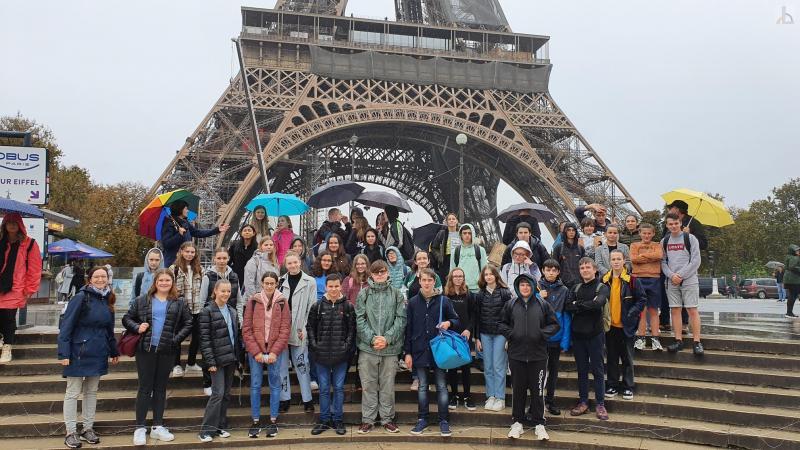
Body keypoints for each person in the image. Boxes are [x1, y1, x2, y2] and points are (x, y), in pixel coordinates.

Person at [123, 268, 192, 446]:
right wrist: (137, 327)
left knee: (161, 389)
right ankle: (140, 427)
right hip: (145, 350)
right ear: (155, 282)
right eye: (160, 280)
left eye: (167, 280)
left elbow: (189, 323)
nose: (164, 283)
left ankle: (157, 426)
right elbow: (127, 318)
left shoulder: (179, 302)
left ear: (172, 282)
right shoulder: (142, 300)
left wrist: (175, 340)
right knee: (145, 388)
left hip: (167, 350)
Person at [58, 266, 120, 448]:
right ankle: (71, 431)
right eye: (97, 276)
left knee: (91, 391)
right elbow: (66, 326)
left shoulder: (108, 299)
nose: (101, 279)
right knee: (73, 392)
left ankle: (88, 428)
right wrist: (63, 352)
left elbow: (109, 330)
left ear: (108, 279)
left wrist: (114, 350)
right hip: (78, 351)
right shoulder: (80, 297)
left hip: (99, 351)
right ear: (90, 279)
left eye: (104, 276)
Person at [499, 273, 559, 441]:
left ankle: (539, 423)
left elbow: (554, 324)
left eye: (528, 285)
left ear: (533, 286)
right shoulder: (511, 304)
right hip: (516, 355)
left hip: (538, 356)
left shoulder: (543, 304)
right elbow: (501, 323)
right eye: (522, 285)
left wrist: (541, 334)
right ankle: (517, 422)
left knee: (537, 391)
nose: (525, 288)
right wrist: (512, 334)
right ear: (518, 287)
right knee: (518, 391)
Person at [404, 269, 459, 437]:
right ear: (419, 281)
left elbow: (456, 320)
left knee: (441, 386)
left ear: (434, 282)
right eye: (424, 280)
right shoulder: (413, 302)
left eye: (430, 280)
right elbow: (408, 328)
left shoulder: (444, 300)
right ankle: (422, 419)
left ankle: (444, 420)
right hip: (419, 349)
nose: (427, 283)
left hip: (439, 351)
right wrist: (407, 353)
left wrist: (449, 323)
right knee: (422, 386)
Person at [355, 260, 407, 434]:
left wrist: (387, 338)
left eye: (382, 271)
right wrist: (371, 339)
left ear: (388, 273)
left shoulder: (397, 294)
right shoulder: (364, 294)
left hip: (390, 349)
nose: (379, 275)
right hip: (368, 348)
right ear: (371, 274)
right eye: (376, 272)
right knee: (368, 385)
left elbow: (401, 319)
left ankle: (387, 419)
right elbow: (359, 319)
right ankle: (368, 420)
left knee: (387, 386)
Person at [242, 271, 290, 438]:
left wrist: (275, 352)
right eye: (266, 283)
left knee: (275, 384)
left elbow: (285, 329)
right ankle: (255, 421)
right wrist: (255, 352)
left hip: (275, 350)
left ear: (276, 284)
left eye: (272, 283)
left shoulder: (282, 301)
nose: (269, 286)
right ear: (262, 283)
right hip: (256, 350)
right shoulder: (253, 301)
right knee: (255, 384)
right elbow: (246, 328)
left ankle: (273, 420)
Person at [307, 273, 356, 436]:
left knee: (339, 388)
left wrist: (346, 347)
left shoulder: (348, 306)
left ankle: (338, 419)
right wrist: (315, 346)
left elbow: (352, 330)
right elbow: (310, 328)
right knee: (323, 389)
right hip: (321, 356)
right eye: (330, 286)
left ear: (340, 286)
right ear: (325, 287)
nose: (334, 289)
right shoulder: (317, 306)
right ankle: (324, 420)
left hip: (341, 356)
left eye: (336, 286)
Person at [565, 257, 610, 421]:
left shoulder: (602, 287)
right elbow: (568, 306)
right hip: (578, 335)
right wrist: (586, 304)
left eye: (588, 267)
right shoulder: (575, 287)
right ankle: (583, 401)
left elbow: (598, 304)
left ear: (595, 269)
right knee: (582, 370)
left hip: (595, 334)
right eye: (582, 268)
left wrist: (578, 304)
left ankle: (600, 404)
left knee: (598, 370)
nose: (585, 270)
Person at [198, 279, 241, 442]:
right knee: (218, 393)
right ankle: (206, 430)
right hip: (216, 360)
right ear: (215, 291)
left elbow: (235, 337)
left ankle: (220, 426)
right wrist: (210, 362)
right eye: (223, 291)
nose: (226, 294)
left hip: (230, 358)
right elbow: (205, 339)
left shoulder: (232, 310)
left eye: (228, 291)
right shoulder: (207, 311)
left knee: (226, 395)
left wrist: (238, 359)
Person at [601, 250, 646, 401]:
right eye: (613, 259)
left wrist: (631, 313)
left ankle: (628, 386)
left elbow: (642, 299)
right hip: (610, 327)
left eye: (618, 259)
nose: (616, 262)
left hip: (626, 326)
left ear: (624, 260)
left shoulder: (632, 280)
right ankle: (612, 384)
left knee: (627, 358)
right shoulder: (604, 279)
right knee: (612, 358)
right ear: (610, 261)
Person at [277, 252, 317, 413]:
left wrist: (306, 329)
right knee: (282, 366)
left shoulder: (310, 282)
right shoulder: (280, 281)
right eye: (289, 263)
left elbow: (312, 308)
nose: (293, 265)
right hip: (282, 330)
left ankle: (307, 399)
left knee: (302, 365)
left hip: (299, 329)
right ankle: (284, 398)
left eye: (295, 262)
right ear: (285, 265)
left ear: (300, 262)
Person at [0, 213, 42, 364]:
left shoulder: (29, 244)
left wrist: (30, 289)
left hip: (16, 287)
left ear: (20, 225)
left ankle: (7, 347)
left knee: (8, 317)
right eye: (8, 222)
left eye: (15, 222)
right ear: (4, 224)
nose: (11, 225)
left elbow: (35, 268)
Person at [661, 213, 703, 354]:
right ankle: (678, 340)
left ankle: (697, 341)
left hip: (689, 279)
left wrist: (681, 275)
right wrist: (672, 275)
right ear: (667, 225)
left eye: (676, 223)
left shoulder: (690, 238)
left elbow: (696, 261)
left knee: (692, 310)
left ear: (680, 223)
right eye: (670, 224)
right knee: (675, 310)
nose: (673, 226)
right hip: (672, 280)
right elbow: (663, 262)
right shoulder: (664, 241)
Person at [474, 265, 512, 412]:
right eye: (486, 275)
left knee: (498, 366)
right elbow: (477, 317)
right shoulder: (480, 295)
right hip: (485, 334)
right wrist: (477, 337)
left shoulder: (505, 293)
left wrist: (508, 337)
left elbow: (510, 317)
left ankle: (500, 398)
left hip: (500, 334)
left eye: (491, 274)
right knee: (488, 367)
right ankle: (491, 396)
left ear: (496, 276)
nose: (488, 277)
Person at [539, 259, 572, 416]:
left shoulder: (564, 290)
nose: (551, 273)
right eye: (548, 270)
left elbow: (566, 316)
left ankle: (550, 400)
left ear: (558, 272)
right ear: (543, 270)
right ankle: (537, 402)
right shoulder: (536, 287)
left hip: (556, 337)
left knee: (553, 371)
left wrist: (565, 340)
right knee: (538, 372)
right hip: (539, 337)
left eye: (554, 270)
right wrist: (538, 297)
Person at [443, 267, 478, 411]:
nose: (458, 278)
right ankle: (454, 395)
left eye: (460, 276)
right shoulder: (445, 295)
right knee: (452, 367)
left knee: (465, 367)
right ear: (451, 278)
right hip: (451, 335)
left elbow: (473, 315)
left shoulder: (469, 295)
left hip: (464, 335)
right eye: (455, 276)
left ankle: (467, 396)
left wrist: (469, 329)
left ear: (464, 278)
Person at [169, 241, 204, 378]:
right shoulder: (174, 268)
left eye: (192, 252)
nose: (190, 254)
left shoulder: (199, 269)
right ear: (181, 252)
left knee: (197, 337)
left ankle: (191, 362)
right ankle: (176, 364)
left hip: (196, 309)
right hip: (180, 310)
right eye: (187, 251)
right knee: (178, 336)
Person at [160, 200, 229, 267]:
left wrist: (216, 230)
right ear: (179, 209)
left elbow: (198, 233)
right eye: (186, 209)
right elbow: (166, 244)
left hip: (186, 261)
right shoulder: (169, 224)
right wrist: (179, 235)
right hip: (173, 262)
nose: (188, 211)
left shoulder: (185, 223)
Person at [630, 223, 665, 351]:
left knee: (654, 310)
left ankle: (655, 338)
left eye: (649, 233)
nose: (646, 235)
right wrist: (650, 257)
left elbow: (659, 256)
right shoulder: (634, 245)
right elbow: (633, 259)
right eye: (644, 233)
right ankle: (641, 338)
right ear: (639, 233)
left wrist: (642, 257)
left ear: (653, 234)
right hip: (638, 278)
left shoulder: (657, 245)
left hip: (654, 278)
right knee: (641, 311)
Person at [450, 224, 487, 293]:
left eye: (469, 233)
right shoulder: (455, 251)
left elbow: (485, 270)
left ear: (473, 234)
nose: (467, 235)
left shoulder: (480, 250)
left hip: (478, 289)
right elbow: (452, 271)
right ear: (460, 235)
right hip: (461, 289)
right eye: (464, 233)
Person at [552, 222, 585, 289]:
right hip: (562, 284)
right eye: (569, 230)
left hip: (578, 283)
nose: (571, 232)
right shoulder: (559, 248)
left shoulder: (580, 248)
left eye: (573, 230)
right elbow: (554, 266)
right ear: (565, 232)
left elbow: (584, 266)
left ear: (576, 232)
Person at [228, 224, 258, 293]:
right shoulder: (234, 245)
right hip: (236, 274)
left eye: (249, 230)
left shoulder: (257, 247)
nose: (247, 232)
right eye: (245, 230)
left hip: (251, 275)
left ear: (253, 233)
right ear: (241, 233)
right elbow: (229, 260)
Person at [429, 213, 460, 279]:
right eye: (449, 219)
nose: (451, 220)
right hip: (446, 260)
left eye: (453, 219)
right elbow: (434, 247)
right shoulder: (441, 233)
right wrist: (439, 257)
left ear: (457, 221)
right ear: (446, 222)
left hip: (459, 259)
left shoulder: (461, 233)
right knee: (446, 280)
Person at [784, 245, 800, 318]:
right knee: (793, 296)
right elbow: (792, 267)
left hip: (790, 279)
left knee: (792, 295)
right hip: (794, 280)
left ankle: (789, 312)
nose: (798, 251)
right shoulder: (794, 258)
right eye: (796, 250)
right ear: (792, 251)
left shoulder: (789, 256)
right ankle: (789, 313)